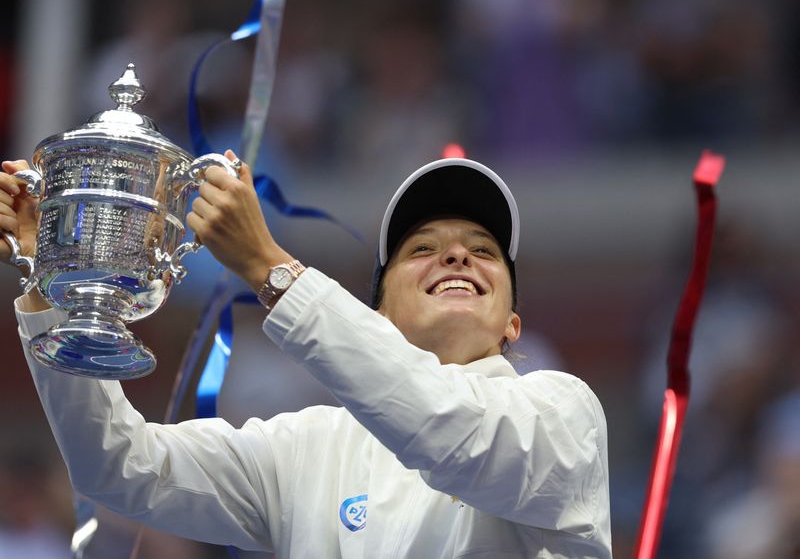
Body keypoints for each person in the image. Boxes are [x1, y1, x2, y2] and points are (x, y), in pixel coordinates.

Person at [1, 152, 611, 558]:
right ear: (378, 318)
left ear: (512, 325)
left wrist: (271, 270)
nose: (456, 258)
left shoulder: (563, 412)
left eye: (483, 251)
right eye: (423, 248)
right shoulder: (305, 447)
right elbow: (116, 464)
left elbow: (449, 432)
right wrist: (45, 282)